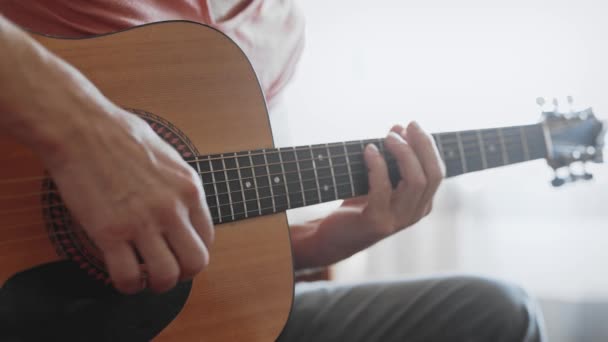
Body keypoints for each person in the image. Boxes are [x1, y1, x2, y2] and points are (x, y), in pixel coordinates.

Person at [0, 1, 546, 341]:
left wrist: (319, 240)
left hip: (147, 321)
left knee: (492, 314)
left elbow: (203, 215)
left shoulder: (280, 25)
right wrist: (82, 132)